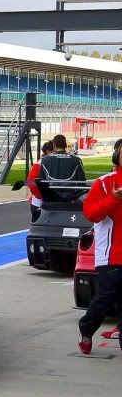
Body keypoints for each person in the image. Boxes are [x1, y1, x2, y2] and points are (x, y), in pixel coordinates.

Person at [77, 138, 122, 354]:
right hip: (110, 257)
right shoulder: (104, 183)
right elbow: (91, 213)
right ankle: (86, 329)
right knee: (104, 300)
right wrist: (113, 200)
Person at [41, 134, 86, 201]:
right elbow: (81, 181)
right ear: (65, 145)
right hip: (71, 197)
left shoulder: (45, 160)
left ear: (54, 145)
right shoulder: (76, 159)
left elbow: (41, 180)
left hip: (51, 197)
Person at [26, 141, 54, 219]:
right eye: (55, 151)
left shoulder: (51, 163)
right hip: (40, 204)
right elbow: (30, 182)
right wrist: (42, 196)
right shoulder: (39, 164)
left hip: (49, 203)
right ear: (48, 151)